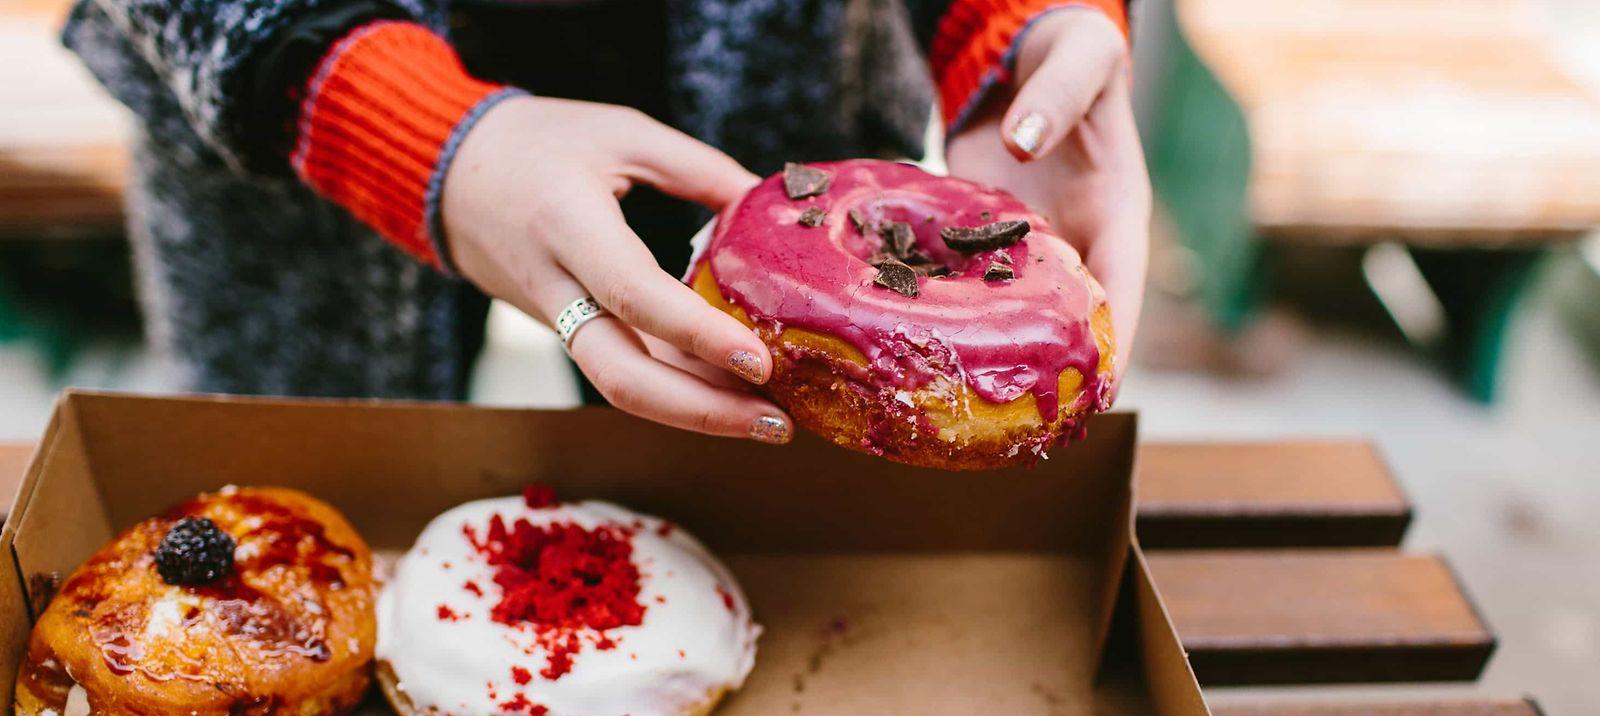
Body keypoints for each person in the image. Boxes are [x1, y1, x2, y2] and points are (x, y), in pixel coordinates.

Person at [66, 0, 1148, 445]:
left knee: (756, 527)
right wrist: (375, 112)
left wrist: (1012, 20)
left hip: (783, 131)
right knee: (321, 490)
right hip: (296, 163)